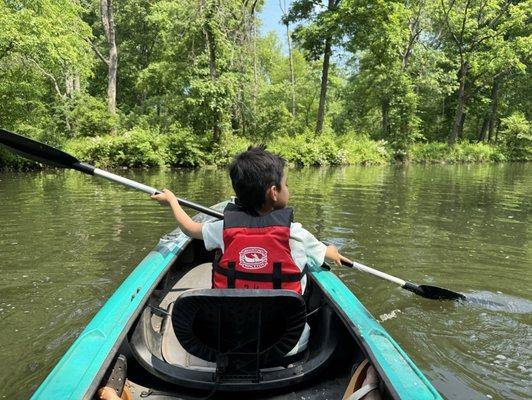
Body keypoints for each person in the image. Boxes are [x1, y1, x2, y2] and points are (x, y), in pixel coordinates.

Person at [150, 146, 342, 293]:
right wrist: (332, 250)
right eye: (286, 185)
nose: (288, 189)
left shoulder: (224, 229)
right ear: (274, 192)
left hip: (233, 334)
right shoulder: (296, 233)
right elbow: (329, 255)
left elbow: (189, 228)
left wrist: (172, 201)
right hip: (288, 341)